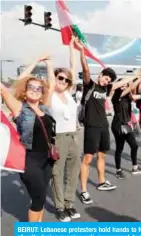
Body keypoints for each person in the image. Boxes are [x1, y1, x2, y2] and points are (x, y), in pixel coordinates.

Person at [77, 41, 137, 204]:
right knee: (88, 159)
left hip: (104, 126)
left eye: (108, 80)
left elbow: (120, 83)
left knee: (102, 156)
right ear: (101, 74)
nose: (106, 81)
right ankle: (83, 190)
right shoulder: (90, 86)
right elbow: (86, 68)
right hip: (92, 127)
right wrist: (82, 51)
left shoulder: (105, 89)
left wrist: (139, 74)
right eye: (105, 78)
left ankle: (101, 182)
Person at [1, 54, 56, 222]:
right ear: (24, 91)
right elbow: (4, 88)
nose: (35, 89)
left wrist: (48, 64)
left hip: (47, 159)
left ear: (42, 93)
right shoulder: (19, 109)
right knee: (38, 199)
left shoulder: (45, 108)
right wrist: (35, 61)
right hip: (29, 160)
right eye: (31, 87)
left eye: (39, 88)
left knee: (39, 196)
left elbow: (52, 84)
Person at [49, 37, 81, 221]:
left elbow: (72, 68)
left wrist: (72, 48)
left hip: (74, 136)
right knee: (57, 173)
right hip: (59, 138)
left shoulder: (69, 94)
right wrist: (48, 63)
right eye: (59, 78)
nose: (64, 81)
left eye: (66, 80)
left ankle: (69, 204)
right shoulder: (50, 95)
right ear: (54, 78)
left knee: (73, 171)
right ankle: (60, 207)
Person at [111, 77, 141, 179]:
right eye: (122, 85)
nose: (124, 86)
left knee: (134, 146)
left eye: (125, 85)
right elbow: (131, 87)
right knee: (119, 148)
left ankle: (135, 168)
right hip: (118, 125)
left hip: (126, 124)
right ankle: (118, 171)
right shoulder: (116, 96)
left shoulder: (128, 97)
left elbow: (138, 96)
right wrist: (138, 78)